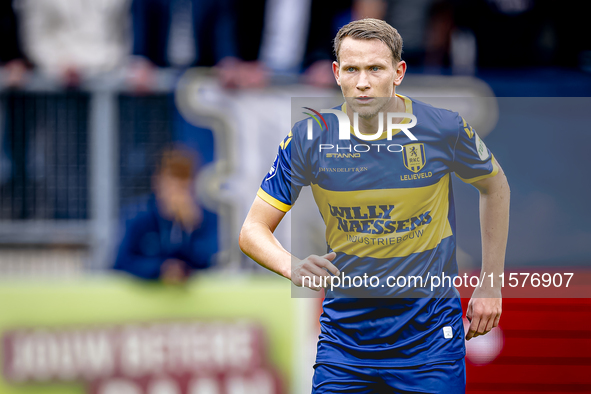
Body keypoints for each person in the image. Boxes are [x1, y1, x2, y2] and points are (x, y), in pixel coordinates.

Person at [239, 18, 509, 393]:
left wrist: (491, 284)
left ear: (398, 72)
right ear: (336, 73)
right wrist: (293, 266)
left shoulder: (443, 128)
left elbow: (495, 187)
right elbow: (252, 230)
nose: (362, 82)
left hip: (430, 343)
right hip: (344, 346)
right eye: (351, 69)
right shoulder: (308, 138)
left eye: (375, 69)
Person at [114, 148, 217, 284]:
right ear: (157, 182)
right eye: (171, 182)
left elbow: (209, 263)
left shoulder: (203, 219)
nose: (175, 192)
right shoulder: (139, 217)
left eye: (182, 185)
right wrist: (160, 270)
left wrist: (190, 228)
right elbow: (121, 263)